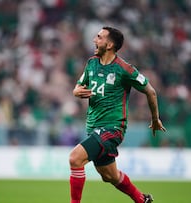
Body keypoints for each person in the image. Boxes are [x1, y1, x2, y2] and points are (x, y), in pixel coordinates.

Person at [69, 26, 166, 203]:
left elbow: (150, 91)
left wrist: (155, 118)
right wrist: (77, 92)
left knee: (75, 159)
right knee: (110, 176)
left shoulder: (124, 69)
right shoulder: (92, 63)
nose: (94, 40)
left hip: (112, 129)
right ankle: (141, 199)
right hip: (94, 129)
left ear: (109, 44)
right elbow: (78, 86)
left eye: (99, 37)